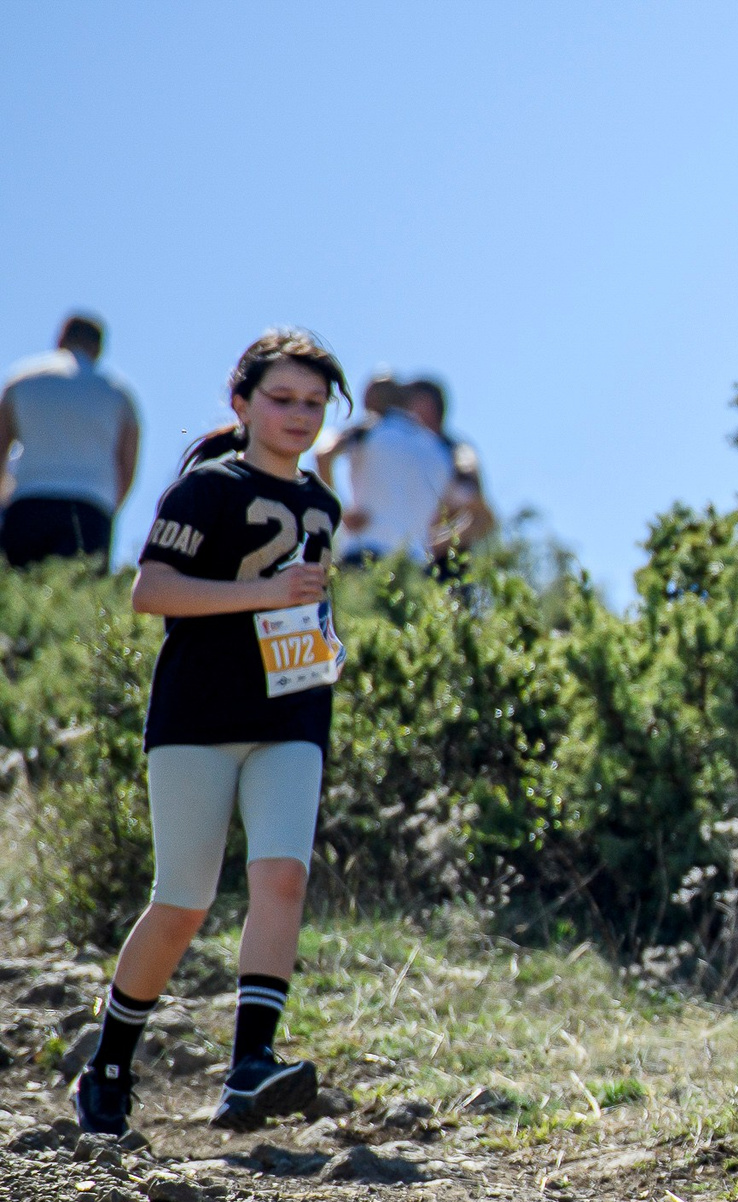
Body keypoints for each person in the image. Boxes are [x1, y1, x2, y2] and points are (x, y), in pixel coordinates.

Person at [71, 330, 351, 1136]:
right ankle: (108, 1067)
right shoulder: (204, 489)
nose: (299, 415)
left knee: (283, 879)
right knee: (183, 902)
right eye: (282, 398)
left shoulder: (323, 504)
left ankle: (249, 1067)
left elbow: (299, 604)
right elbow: (150, 592)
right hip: (197, 716)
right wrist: (264, 596)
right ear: (242, 403)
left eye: (314, 403)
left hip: (291, 714)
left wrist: (319, 642)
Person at [0, 312, 141, 568]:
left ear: (60, 339)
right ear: (98, 348)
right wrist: (107, 508)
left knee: (19, 585)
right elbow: (127, 466)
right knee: (80, 588)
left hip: (27, 501)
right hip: (90, 507)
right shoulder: (118, 395)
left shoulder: (21, 380)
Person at [314, 373, 449, 565]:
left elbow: (323, 454)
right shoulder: (437, 448)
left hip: (364, 553)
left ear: (372, 401)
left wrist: (340, 511)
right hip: (416, 561)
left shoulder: (368, 430)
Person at [400, 378, 495, 561]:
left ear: (428, 405)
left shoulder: (456, 451)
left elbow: (474, 503)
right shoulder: (404, 453)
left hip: (446, 560)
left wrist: (434, 543)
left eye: (409, 401)